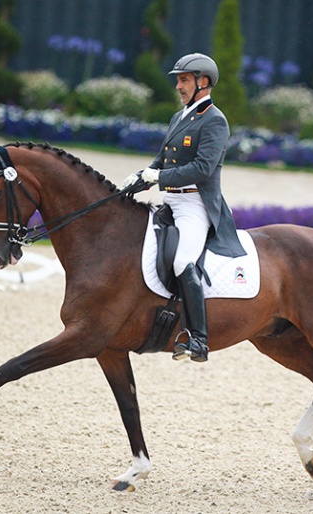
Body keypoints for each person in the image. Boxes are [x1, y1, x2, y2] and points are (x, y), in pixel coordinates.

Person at [121, 52, 246, 363]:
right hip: (171, 200)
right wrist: (140, 177)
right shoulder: (179, 118)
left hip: (195, 203)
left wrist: (159, 176)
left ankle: (199, 340)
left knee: (181, 263)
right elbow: (161, 161)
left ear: (203, 82)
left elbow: (203, 168)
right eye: (178, 80)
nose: (178, 86)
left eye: (184, 80)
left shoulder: (215, 120)